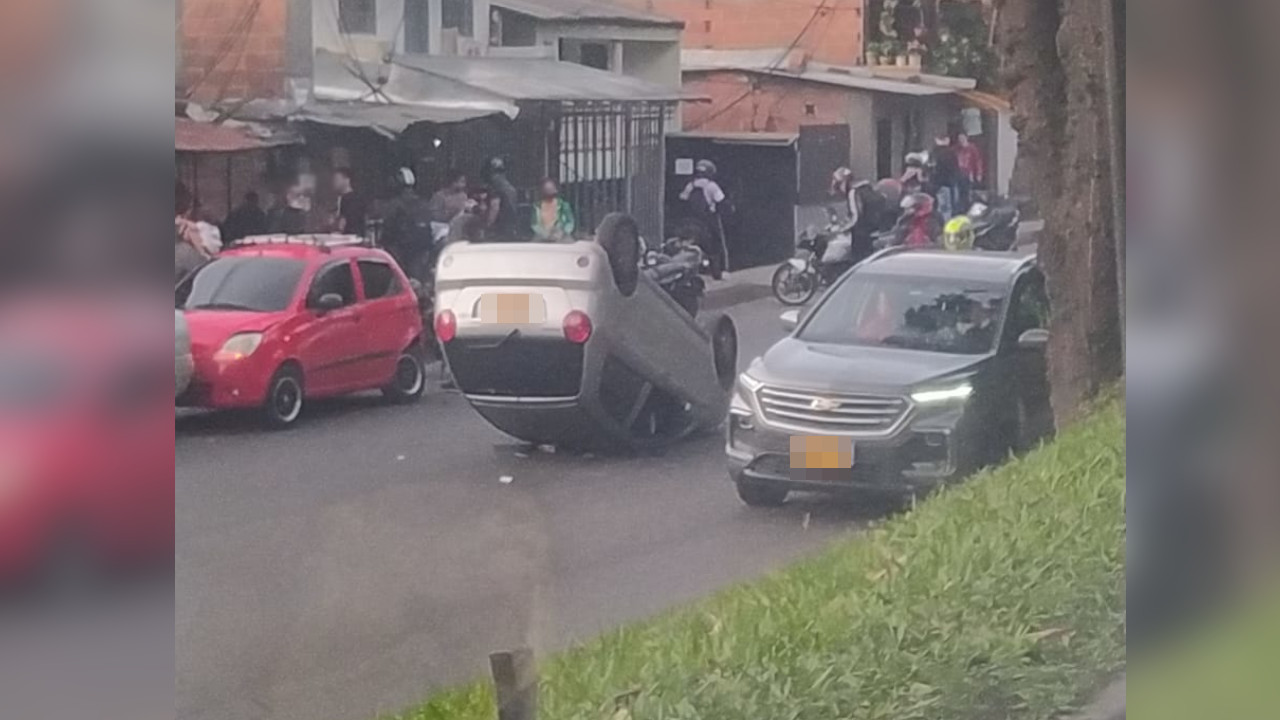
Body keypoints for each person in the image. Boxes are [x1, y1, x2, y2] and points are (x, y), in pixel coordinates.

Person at [379, 167, 435, 280]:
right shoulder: (422, 203)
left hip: (401, 250)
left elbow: (387, 229)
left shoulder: (393, 205)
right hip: (420, 251)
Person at [679, 159, 730, 279]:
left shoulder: (690, 185)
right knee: (716, 246)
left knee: (691, 244)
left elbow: (682, 199)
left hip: (692, 219)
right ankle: (718, 272)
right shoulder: (711, 186)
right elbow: (721, 201)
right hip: (709, 219)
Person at [831, 167, 892, 262]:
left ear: (843, 182)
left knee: (858, 260)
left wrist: (842, 229)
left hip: (861, 234)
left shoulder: (853, 192)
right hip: (875, 230)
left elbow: (855, 216)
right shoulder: (867, 188)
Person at [482, 156, 520, 237]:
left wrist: (487, 226)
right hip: (511, 229)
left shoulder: (495, 185)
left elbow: (494, 207)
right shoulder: (510, 187)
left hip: (498, 231)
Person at [530, 177, 576, 242]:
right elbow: (534, 224)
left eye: (551, 194)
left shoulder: (563, 205)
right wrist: (544, 233)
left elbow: (570, 222)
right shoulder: (537, 206)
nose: (549, 197)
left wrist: (563, 232)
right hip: (542, 237)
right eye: (547, 194)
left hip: (561, 236)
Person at [930, 133, 961, 219]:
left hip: (934, 184)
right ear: (947, 140)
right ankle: (946, 227)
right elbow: (954, 168)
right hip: (947, 183)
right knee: (947, 208)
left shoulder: (932, 153)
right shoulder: (949, 153)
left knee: (938, 207)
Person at [331, 167, 368, 237]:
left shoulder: (355, 199)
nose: (334, 183)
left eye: (337, 179)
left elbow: (348, 221)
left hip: (352, 238)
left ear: (347, 180)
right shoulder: (341, 198)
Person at [955, 133, 985, 210]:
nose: (961, 140)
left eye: (962, 138)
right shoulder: (957, 149)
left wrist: (979, 173)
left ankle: (967, 208)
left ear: (966, 138)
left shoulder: (972, 148)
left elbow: (978, 161)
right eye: (959, 138)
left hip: (968, 173)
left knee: (968, 192)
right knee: (959, 193)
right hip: (958, 173)